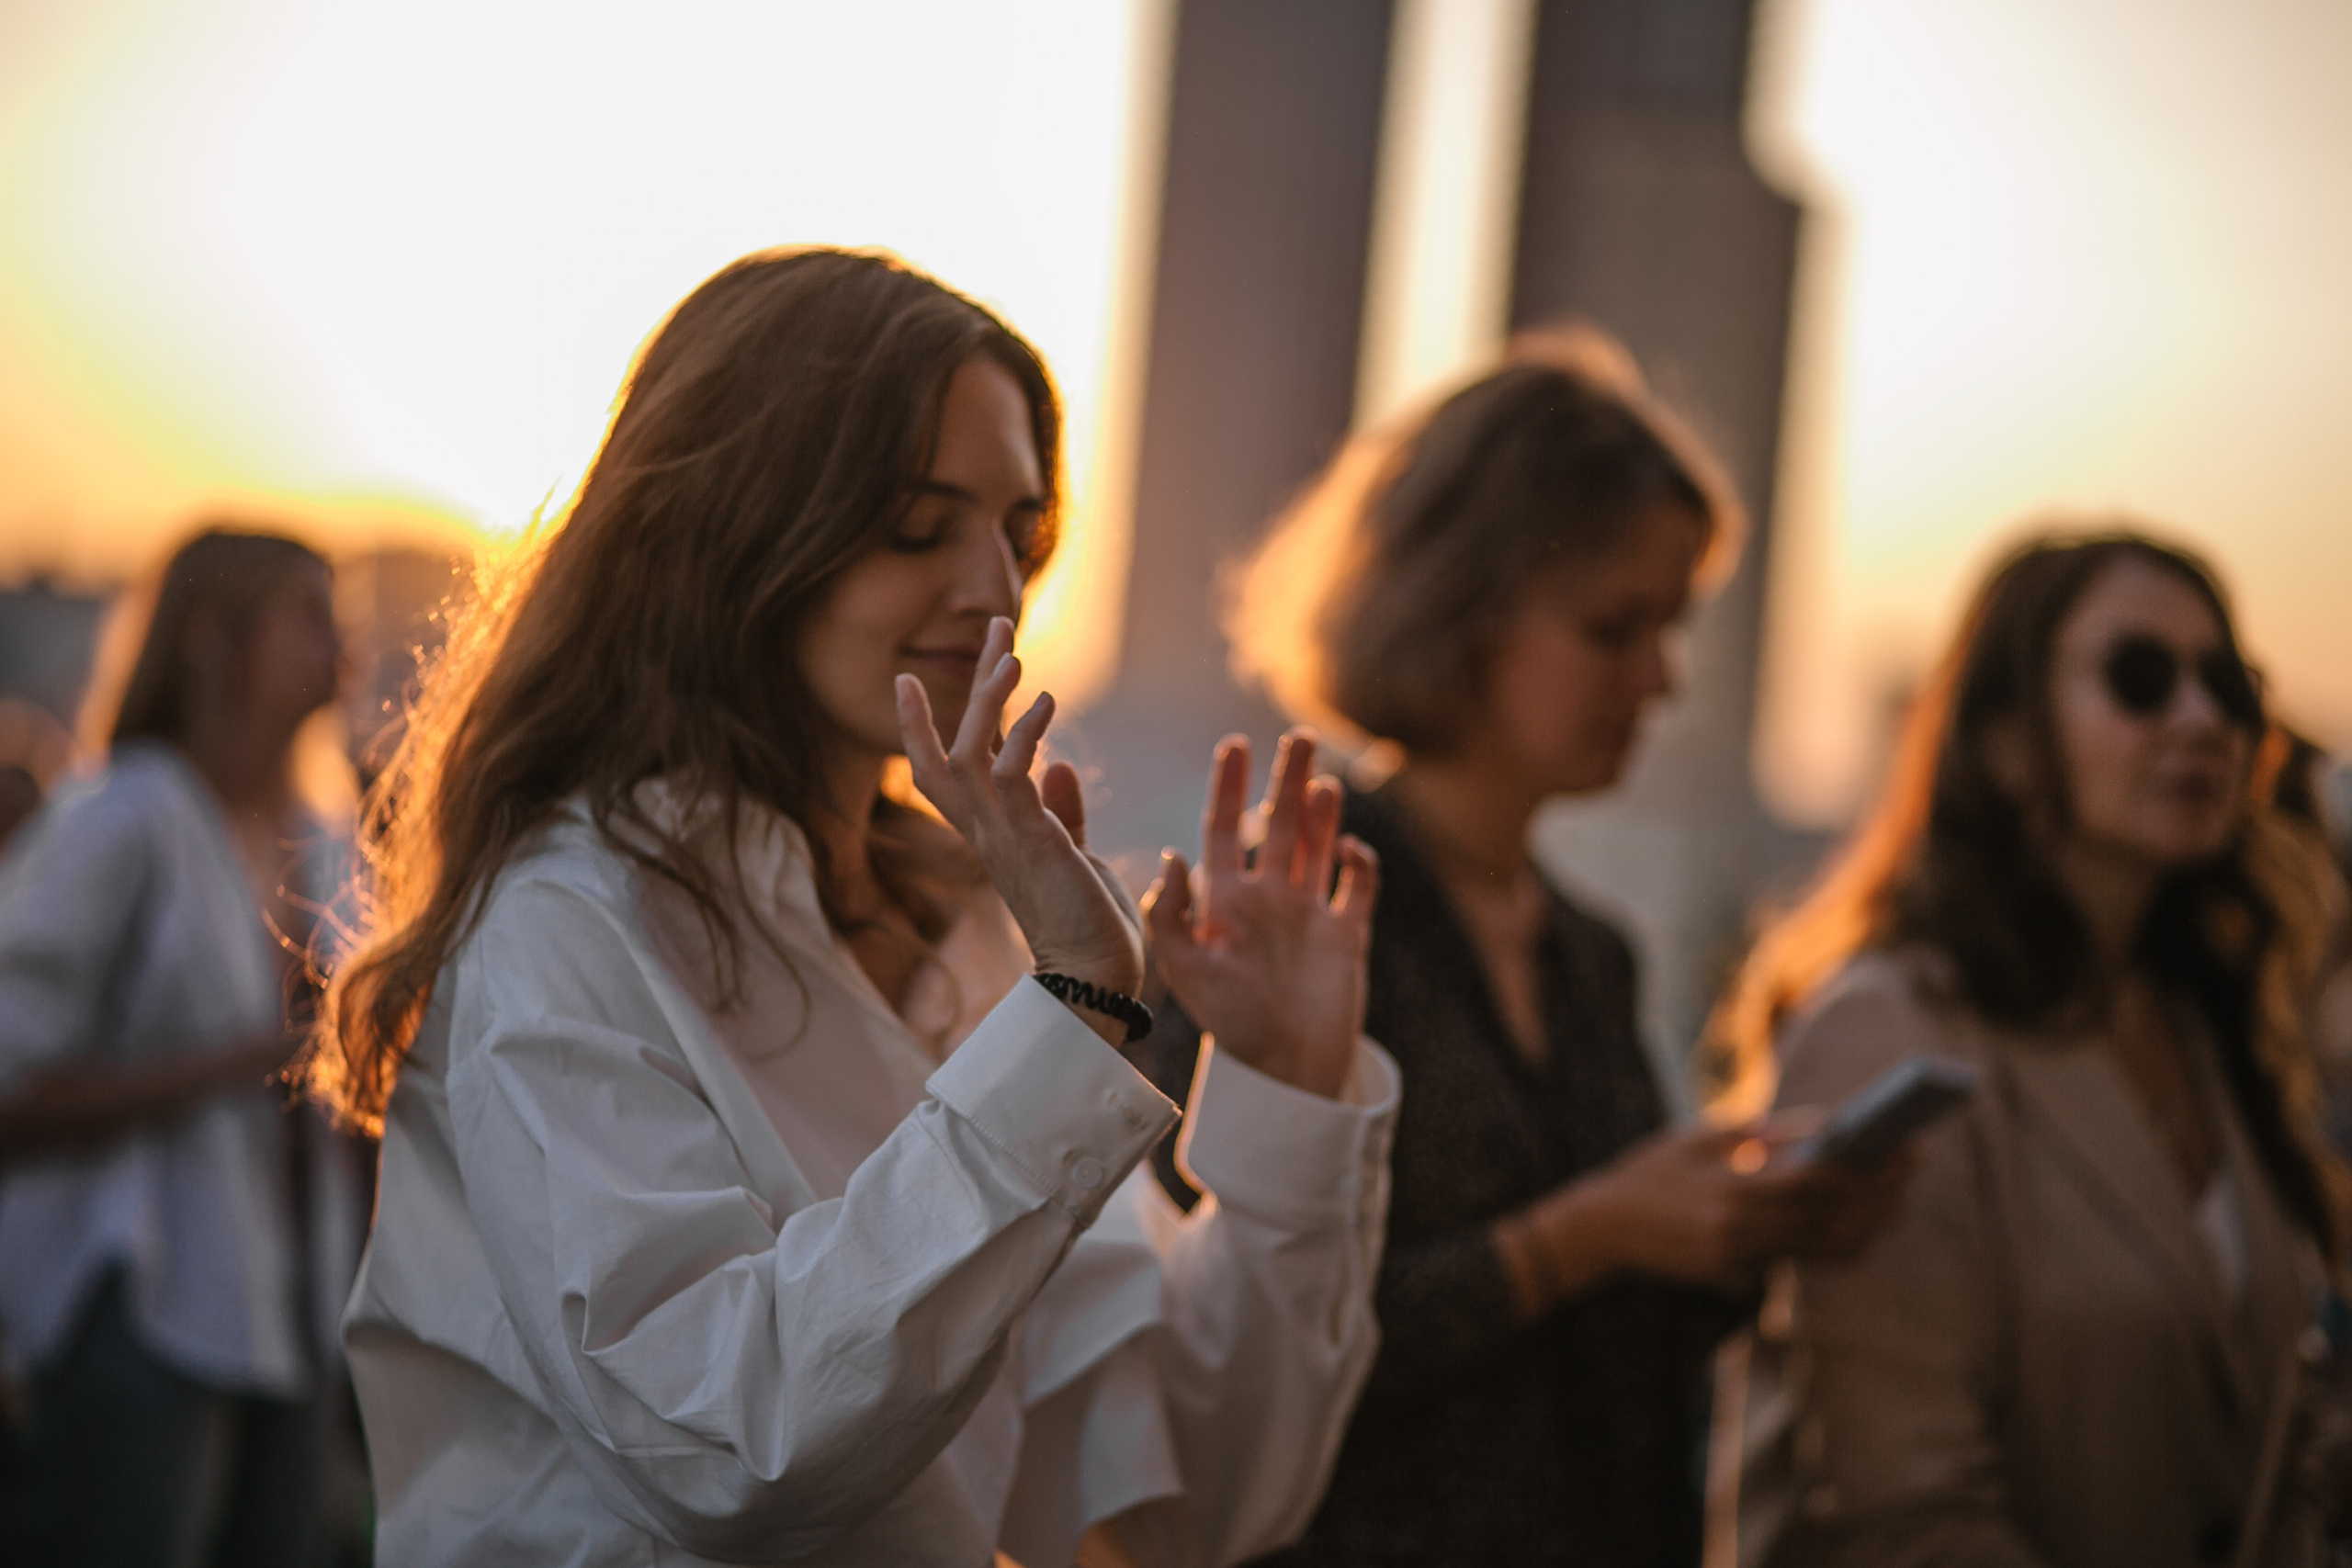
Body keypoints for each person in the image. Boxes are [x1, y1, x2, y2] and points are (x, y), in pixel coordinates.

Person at [304, 246, 1397, 1568]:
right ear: (739, 531)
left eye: (1020, 529)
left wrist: (1287, 1081)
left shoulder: (971, 937)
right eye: (915, 526)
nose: (993, 586)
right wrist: (1075, 1005)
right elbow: (724, 1445)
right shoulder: (565, 918)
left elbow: (1191, 1491)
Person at [1148, 332, 1905, 1567]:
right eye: (1615, 627)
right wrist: (1586, 1232)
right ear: (1460, 609)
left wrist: (1749, 1230)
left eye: (1672, 628)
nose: (1659, 680)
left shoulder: (1589, 951)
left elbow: (1612, 1344)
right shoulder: (1284, 917)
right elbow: (1202, 1352)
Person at [1711, 532, 2349, 1567]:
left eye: (2228, 686)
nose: (2200, 720)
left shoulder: (2203, 1024)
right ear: (2004, 743)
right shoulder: (1886, 1025)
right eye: (2139, 678)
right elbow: (1899, 1514)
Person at [0, 528, 368, 1565]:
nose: (338, 646)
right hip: (142, 1302)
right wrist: (252, 1057)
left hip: (295, 1304)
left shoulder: (318, 833)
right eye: (308, 617)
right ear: (215, 638)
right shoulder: (121, 816)